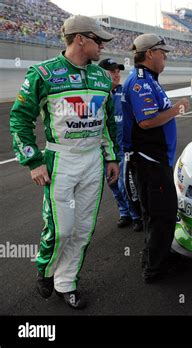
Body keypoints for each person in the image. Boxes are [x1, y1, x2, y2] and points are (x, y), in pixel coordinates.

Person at [9, 15, 119, 309]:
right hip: (61, 159)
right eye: (99, 40)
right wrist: (33, 161)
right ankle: (45, 269)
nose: (103, 47)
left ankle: (66, 282)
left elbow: (108, 122)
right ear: (80, 39)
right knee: (62, 229)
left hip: (93, 160)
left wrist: (111, 157)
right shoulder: (43, 74)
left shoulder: (101, 77)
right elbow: (20, 117)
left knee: (83, 229)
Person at [121, 33, 189, 283]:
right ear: (150, 53)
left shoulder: (149, 79)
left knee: (158, 213)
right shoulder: (141, 82)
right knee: (163, 213)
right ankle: (155, 267)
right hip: (149, 160)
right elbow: (147, 121)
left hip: (155, 159)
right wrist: (177, 109)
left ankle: (155, 256)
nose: (165, 57)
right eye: (163, 52)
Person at [99, 58, 143, 231]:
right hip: (104, 149)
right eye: (112, 71)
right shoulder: (96, 96)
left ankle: (137, 215)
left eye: (118, 71)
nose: (117, 75)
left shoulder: (125, 92)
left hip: (124, 148)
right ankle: (124, 212)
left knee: (126, 184)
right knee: (112, 183)